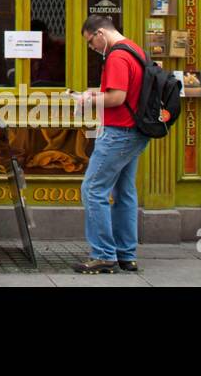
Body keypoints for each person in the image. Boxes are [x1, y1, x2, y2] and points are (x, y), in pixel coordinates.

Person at [72, 14, 150, 274]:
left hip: (119, 133)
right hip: (135, 131)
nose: (92, 48)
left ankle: (104, 255)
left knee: (93, 189)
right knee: (124, 192)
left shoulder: (116, 56)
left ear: (100, 34)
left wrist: (87, 101)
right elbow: (127, 93)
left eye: (90, 42)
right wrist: (94, 93)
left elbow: (117, 98)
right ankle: (126, 255)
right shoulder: (135, 50)